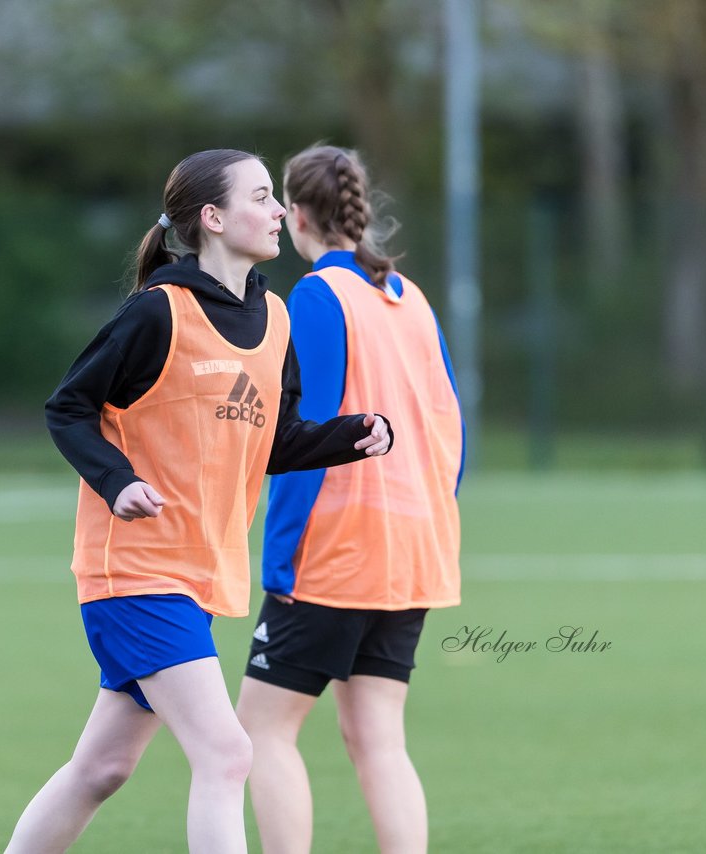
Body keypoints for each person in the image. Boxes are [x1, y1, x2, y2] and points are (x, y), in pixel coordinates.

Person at [4, 148, 394, 854]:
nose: (280, 211)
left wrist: (347, 437)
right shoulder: (158, 312)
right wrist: (118, 481)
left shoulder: (274, 318)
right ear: (212, 218)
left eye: (279, 198)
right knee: (228, 753)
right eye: (261, 196)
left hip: (199, 578)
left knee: (102, 768)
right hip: (137, 575)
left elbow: (273, 443)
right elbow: (69, 409)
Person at [235, 144, 464, 854]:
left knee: (261, 731)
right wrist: (426, 515)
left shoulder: (317, 294)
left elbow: (313, 432)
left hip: (337, 552)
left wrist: (282, 557)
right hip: (414, 552)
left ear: (297, 215)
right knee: (377, 738)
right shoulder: (410, 297)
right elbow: (451, 428)